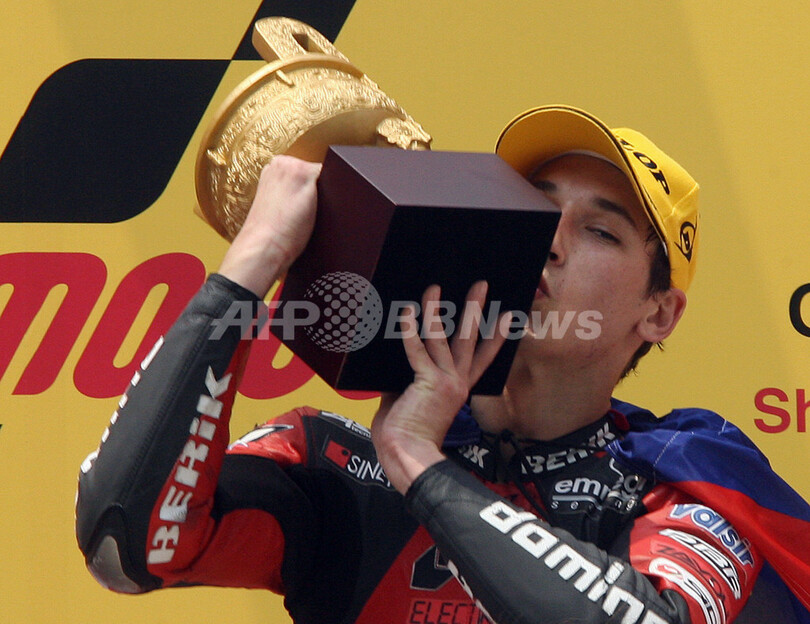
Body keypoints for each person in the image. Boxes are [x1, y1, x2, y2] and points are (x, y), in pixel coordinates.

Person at [75, 105, 810, 624]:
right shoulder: (340, 465)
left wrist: (422, 466)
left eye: (600, 232)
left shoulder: (688, 485)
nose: (550, 240)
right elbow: (124, 543)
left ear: (658, 314)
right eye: (536, 208)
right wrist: (249, 269)